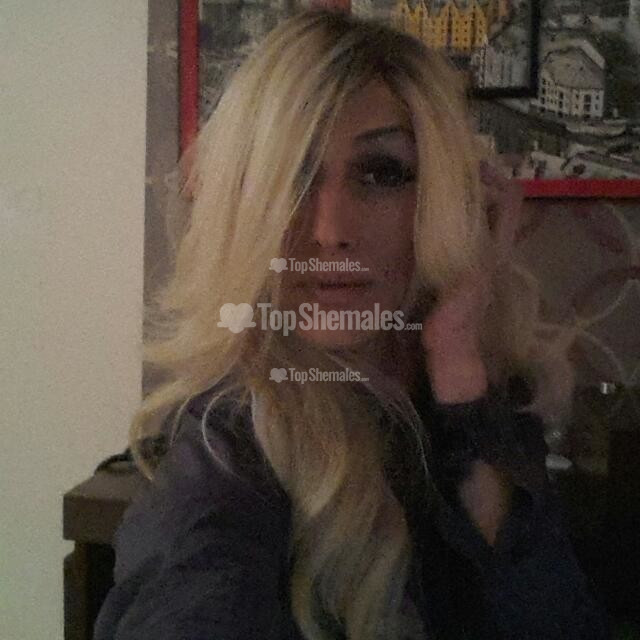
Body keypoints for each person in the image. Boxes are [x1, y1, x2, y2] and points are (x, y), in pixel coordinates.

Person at [93, 8, 611, 640]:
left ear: (445, 197)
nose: (330, 231)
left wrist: (456, 357)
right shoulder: (225, 451)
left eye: (381, 173)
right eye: (293, 176)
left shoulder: (478, 398)